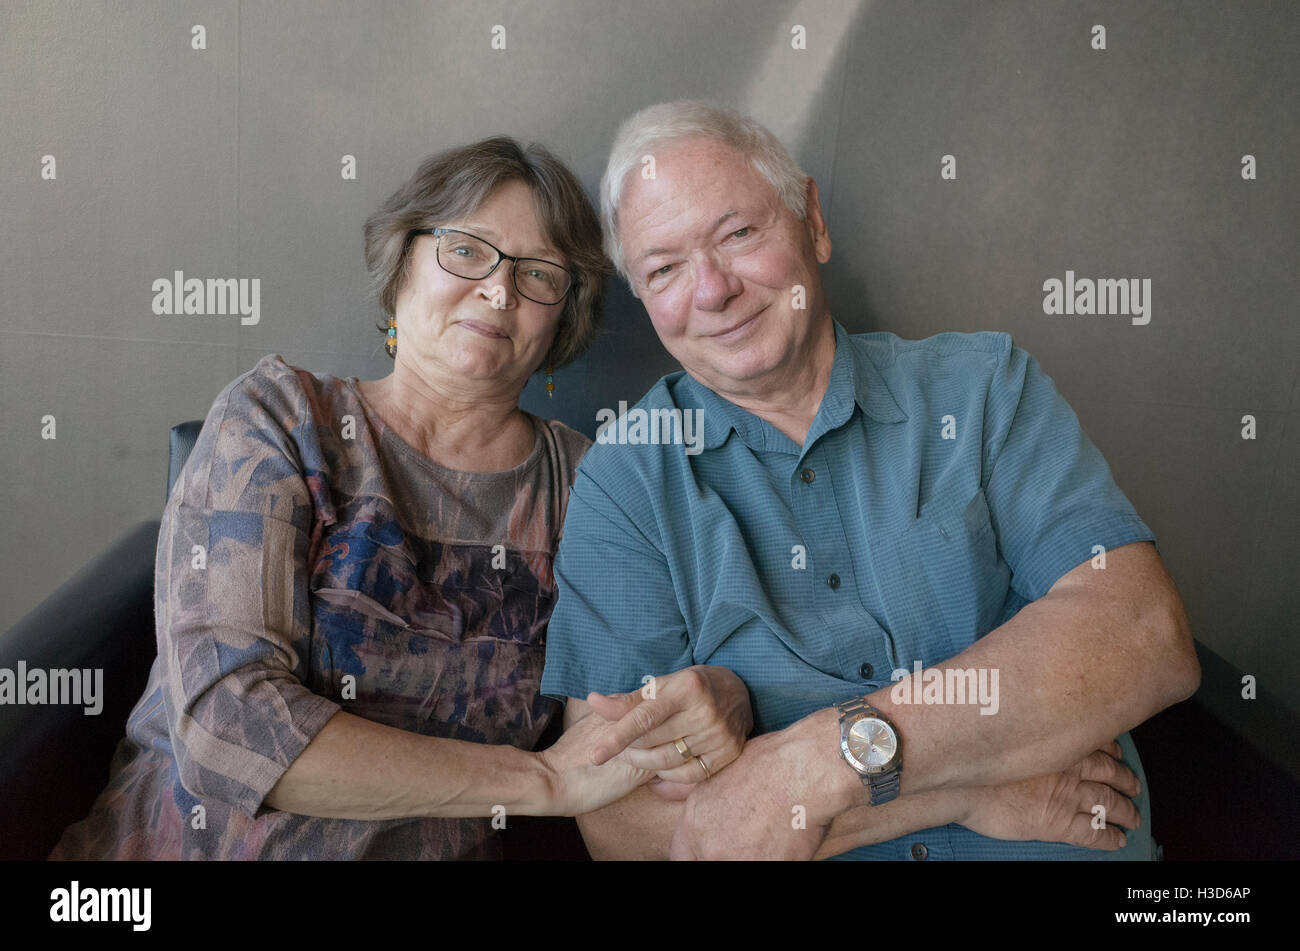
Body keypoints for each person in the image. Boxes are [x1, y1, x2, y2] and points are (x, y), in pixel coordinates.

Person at [50, 136, 752, 860]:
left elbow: (638, 715)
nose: (499, 290)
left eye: (539, 273)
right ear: (402, 266)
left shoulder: (595, 485)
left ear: (562, 319)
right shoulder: (280, 418)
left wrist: (728, 688)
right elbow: (228, 727)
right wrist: (540, 779)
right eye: (467, 250)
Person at [539, 101, 1201, 860]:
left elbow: (1146, 634)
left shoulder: (983, 389)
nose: (713, 290)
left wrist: (815, 761)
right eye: (663, 270)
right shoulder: (626, 480)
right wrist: (957, 786)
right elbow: (617, 821)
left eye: (739, 234)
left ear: (812, 221)